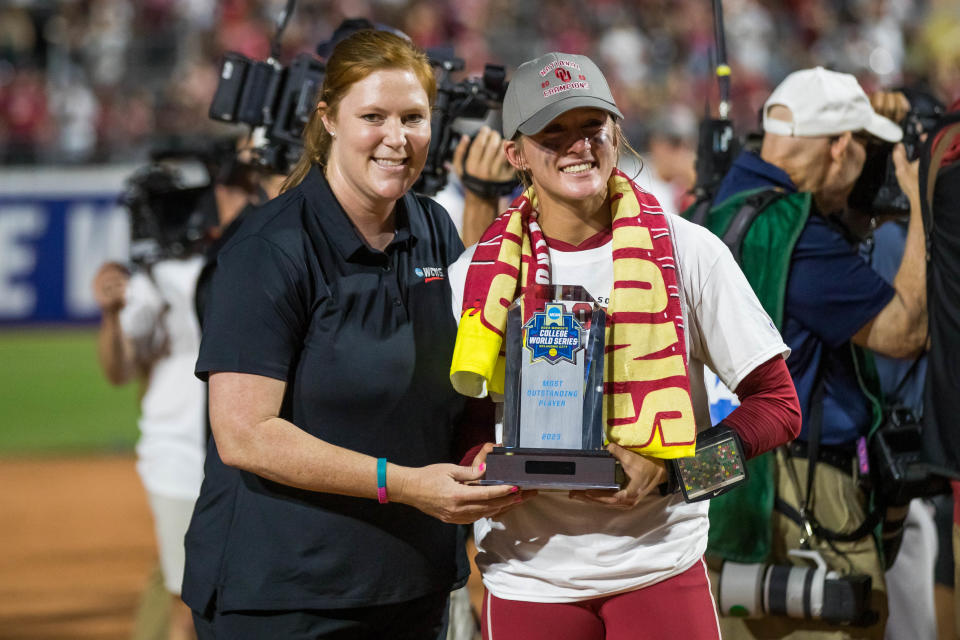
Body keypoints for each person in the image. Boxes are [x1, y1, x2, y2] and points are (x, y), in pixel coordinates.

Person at [447, 51, 802, 640]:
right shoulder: (473, 275)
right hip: (529, 573)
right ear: (516, 153)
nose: (578, 145)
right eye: (552, 132)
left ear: (617, 132)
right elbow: (463, 425)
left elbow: (780, 408)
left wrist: (678, 472)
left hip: (659, 563)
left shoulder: (690, 251)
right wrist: (476, 465)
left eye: (592, 125)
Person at [182, 30, 524, 640]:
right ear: (329, 119)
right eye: (374, 117)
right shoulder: (270, 248)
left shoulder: (432, 227)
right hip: (287, 596)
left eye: (414, 118)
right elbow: (245, 435)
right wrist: (406, 484)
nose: (397, 139)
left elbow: (463, 381)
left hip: (410, 583)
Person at [699, 67, 925, 639]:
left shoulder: (728, 201)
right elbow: (904, 331)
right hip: (804, 493)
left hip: (727, 472)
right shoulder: (795, 232)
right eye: (865, 147)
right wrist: (921, 202)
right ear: (842, 146)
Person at [92, 173, 208, 640]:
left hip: (228, 444)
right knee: (189, 600)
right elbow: (118, 371)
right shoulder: (145, 283)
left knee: (184, 579)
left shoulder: (224, 263)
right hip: (180, 451)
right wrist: (110, 314)